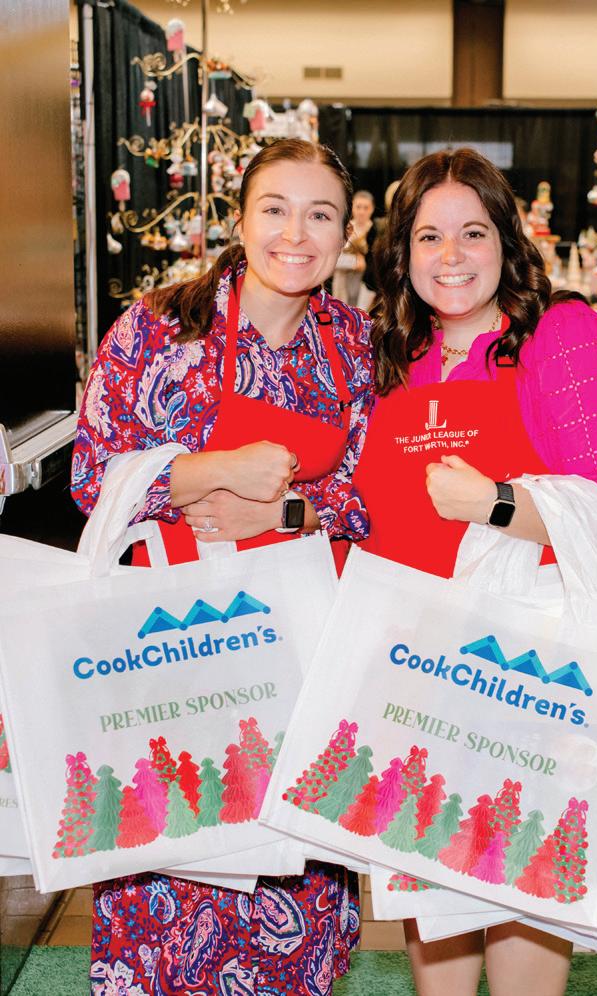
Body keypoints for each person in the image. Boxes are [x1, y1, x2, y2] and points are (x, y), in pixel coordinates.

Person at [352, 148, 597, 995]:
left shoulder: (563, 337)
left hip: (533, 678)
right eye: (428, 236)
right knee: (435, 926)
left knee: (523, 906)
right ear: (401, 253)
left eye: (473, 232)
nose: (450, 256)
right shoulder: (394, 359)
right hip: (416, 677)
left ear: (506, 241)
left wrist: (492, 503)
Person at [71, 138, 373, 995]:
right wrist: (212, 470)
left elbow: (370, 499)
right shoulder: (160, 326)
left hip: (297, 659)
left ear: (345, 234)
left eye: (320, 215)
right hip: (168, 656)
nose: (295, 234)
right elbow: (91, 476)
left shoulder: (355, 345)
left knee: (294, 888)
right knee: (162, 869)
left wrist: (280, 511)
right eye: (274, 209)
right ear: (238, 220)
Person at [332, 189, 376, 308]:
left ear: (372, 209)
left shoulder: (376, 230)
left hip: (365, 287)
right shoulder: (343, 228)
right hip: (342, 284)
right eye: (358, 207)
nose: (361, 212)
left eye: (366, 208)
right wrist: (354, 262)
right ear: (352, 207)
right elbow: (331, 259)